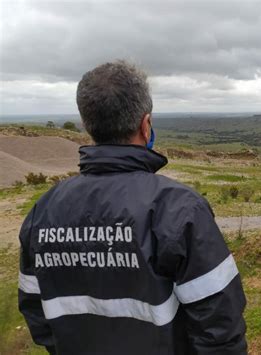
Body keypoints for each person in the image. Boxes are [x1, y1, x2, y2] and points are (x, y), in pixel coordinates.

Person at [18, 60, 247, 354]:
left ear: (88, 125)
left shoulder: (43, 210)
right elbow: (220, 325)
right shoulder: (179, 209)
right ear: (146, 124)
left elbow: (36, 312)